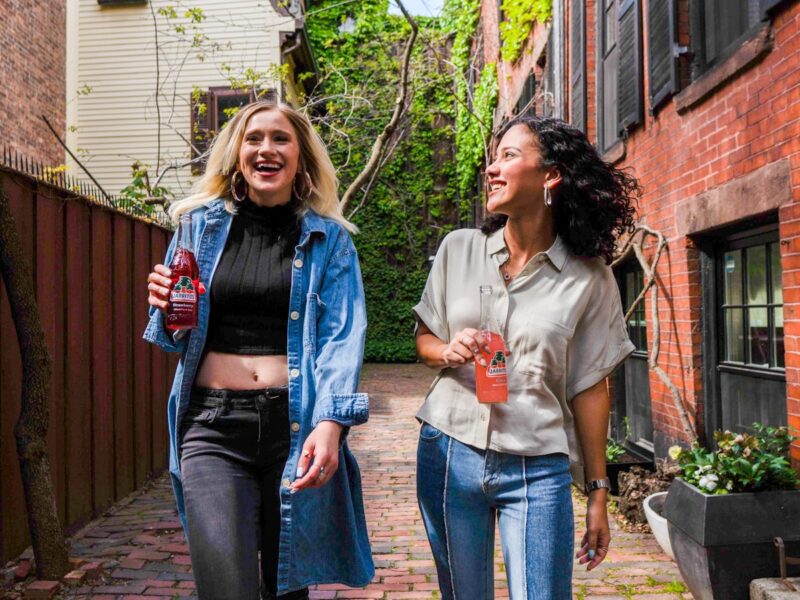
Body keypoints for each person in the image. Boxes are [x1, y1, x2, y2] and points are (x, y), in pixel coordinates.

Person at [143, 100, 373, 600]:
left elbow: (341, 337)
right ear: (236, 154)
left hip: (296, 428)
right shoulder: (197, 227)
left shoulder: (329, 241)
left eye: (280, 138)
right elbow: (171, 335)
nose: (266, 148)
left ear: (301, 158)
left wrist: (331, 424)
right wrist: (164, 307)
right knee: (227, 585)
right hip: (212, 428)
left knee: (287, 589)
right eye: (253, 138)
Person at [413, 116, 639, 599]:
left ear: (550, 175)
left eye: (508, 156)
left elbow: (591, 387)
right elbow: (426, 339)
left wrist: (598, 494)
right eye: (493, 158)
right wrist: (447, 350)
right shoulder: (459, 248)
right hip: (450, 449)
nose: (492, 169)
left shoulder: (589, 278)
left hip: (537, 466)